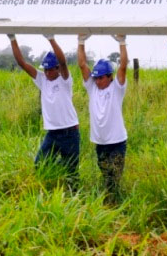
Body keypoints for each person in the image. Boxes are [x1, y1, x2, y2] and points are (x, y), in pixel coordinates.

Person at [9, 33, 80, 190]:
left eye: (50, 70)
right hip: (52, 134)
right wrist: (12, 38)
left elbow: (63, 61)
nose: (47, 73)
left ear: (57, 70)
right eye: (45, 70)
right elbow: (21, 62)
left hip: (70, 133)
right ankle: (48, 188)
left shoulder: (65, 80)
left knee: (72, 173)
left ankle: (74, 199)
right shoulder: (42, 80)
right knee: (40, 164)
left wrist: (51, 39)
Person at [78, 34, 128, 203]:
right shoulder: (92, 88)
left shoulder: (117, 88)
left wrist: (122, 42)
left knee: (114, 178)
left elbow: (123, 67)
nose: (97, 81)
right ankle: (110, 202)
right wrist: (81, 41)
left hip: (117, 141)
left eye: (101, 77)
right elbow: (82, 64)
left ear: (109, 76)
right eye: (96, 78)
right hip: (100, 142)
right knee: (106, 175)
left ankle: (113, 204)